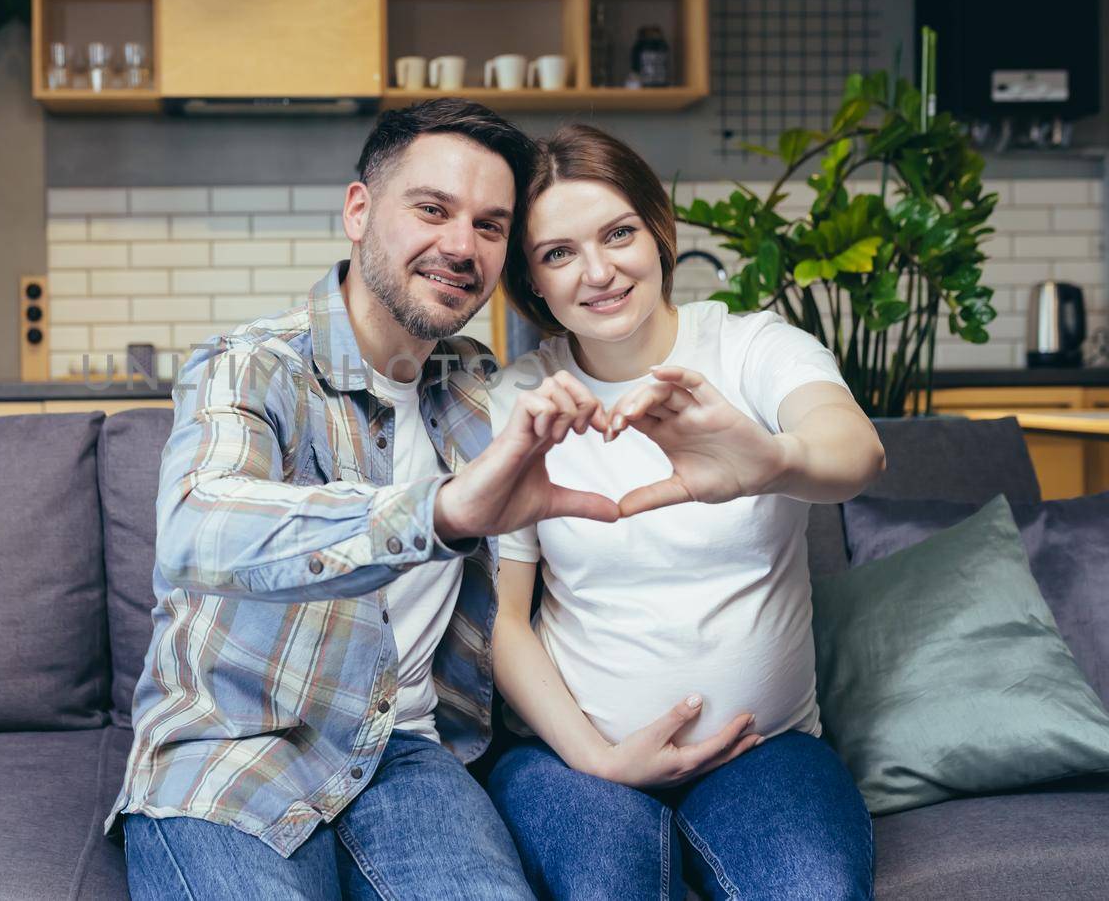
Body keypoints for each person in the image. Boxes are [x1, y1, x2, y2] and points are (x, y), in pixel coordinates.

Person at [106, 100, 628, 901]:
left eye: (491, 226)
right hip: (233, 749)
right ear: (359, 210)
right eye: (433, 208)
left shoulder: (484, 388)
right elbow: (196, 526)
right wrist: (439, 512)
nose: (461, 245)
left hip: (411, 754)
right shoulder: (252, 365)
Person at [484, 123, 886, 901]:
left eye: (618, 232)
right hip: (577, 758)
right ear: (532, 281)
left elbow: (856, 451)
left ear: (659, 229)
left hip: (764, 750)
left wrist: (772, 459)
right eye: (558, 253)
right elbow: (504, 619)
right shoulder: (520, 401)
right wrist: (598, 759)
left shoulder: (752, 347)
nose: (598, 272)